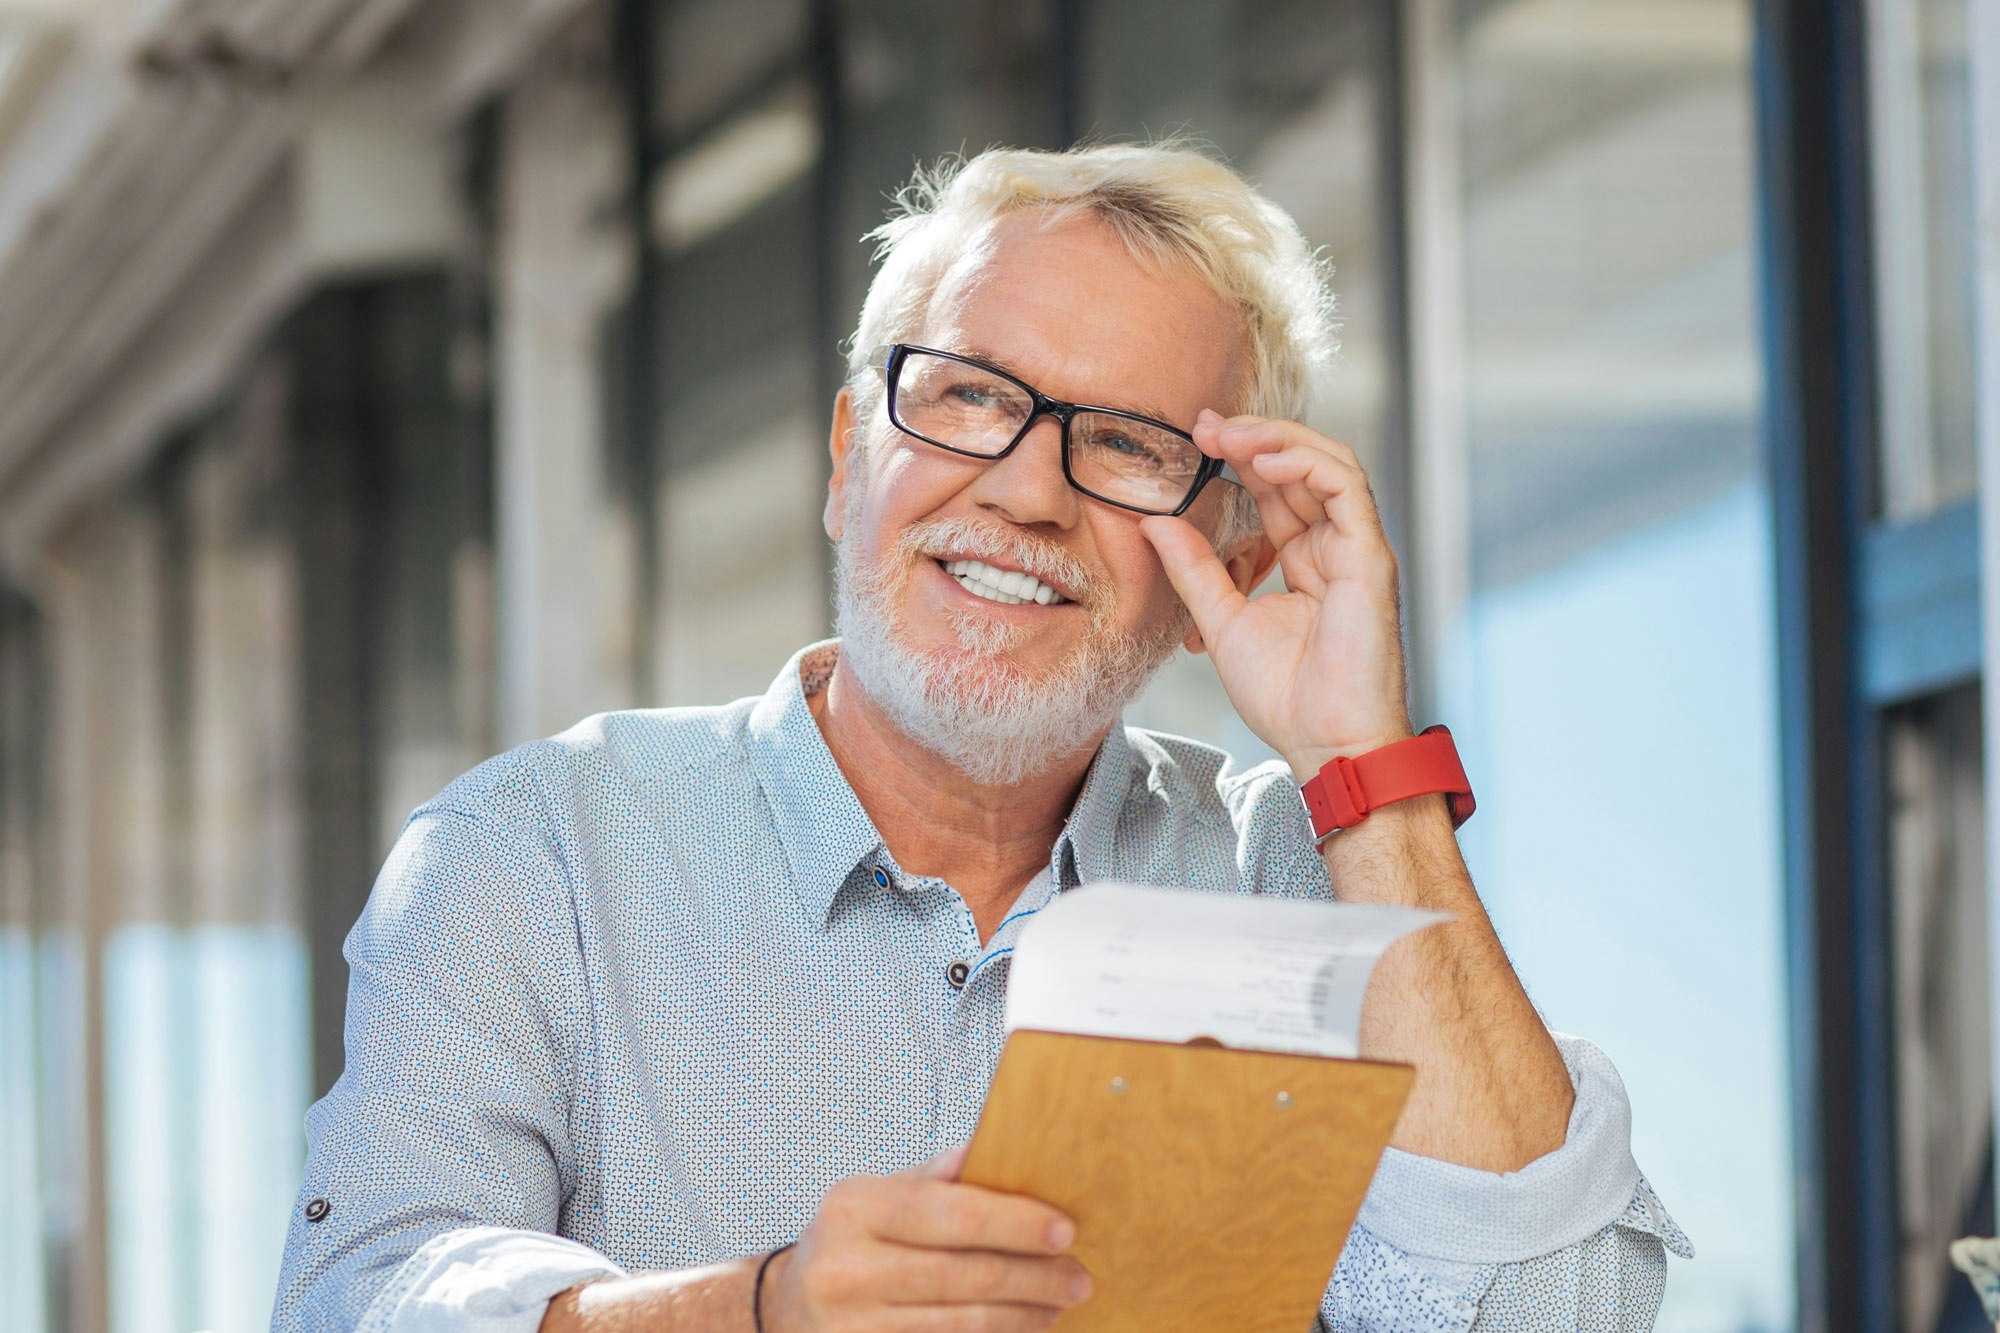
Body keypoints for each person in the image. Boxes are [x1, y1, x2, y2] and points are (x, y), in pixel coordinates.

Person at [271, 141, 1689, 1333]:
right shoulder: (534, 851)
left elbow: (1563, 1309)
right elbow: (362, 1292)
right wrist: (760, 1309)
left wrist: (1367, 773)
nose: (1022, 491)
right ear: (847, 464)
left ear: (1227, 571)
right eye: (966, 395)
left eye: (1129, 443)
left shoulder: (1298, 874)